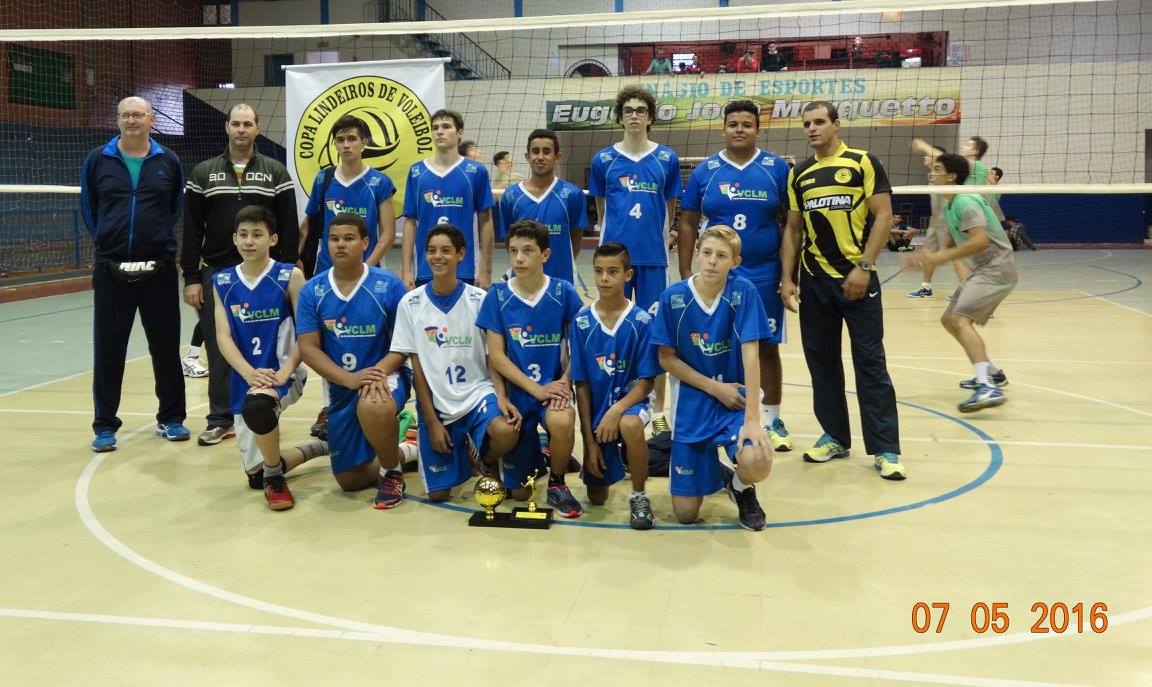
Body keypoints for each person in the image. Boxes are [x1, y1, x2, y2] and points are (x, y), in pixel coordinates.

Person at [779, 101, 905, 481]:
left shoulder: (863, 162)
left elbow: (883, 215)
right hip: (815, 280)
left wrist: (864, 267)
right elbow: (793, 230)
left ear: (836, 124)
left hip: (857, 279)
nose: (812, 129)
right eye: (807, 124)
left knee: (870, 363)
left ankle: (885, 449)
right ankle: (834, 435)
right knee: (822, 364)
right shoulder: (799, 173)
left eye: (819, 122)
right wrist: (788, 278)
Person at [677, 99, 794, 453]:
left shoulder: (776, 168)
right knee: (713, 344)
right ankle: (718, 413)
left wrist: (789, 275)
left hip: (763, 273)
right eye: (733, 124)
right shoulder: (706, 170)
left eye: (746, 124)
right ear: (723, 128)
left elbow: (792, 224)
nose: (739, 130)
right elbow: (687, 220)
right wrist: (685, 271)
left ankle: (771, 419)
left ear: (758, 129)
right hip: (714, 275)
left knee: (766, 346)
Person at [183, 103, 299, 447]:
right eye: (236, 124)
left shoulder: (275, 172)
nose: (241, 130)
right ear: (227, 127)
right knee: (220, 349)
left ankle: (267, 404)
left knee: (269, 344)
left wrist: (288, 266)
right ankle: (220, 419)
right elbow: (191, 227)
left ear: (257, 128)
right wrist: (191, 275)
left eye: (248, 124)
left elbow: (289, 225)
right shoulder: (204, 172)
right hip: (217, 271)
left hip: (266, 274)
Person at [80, 96, 187, 452]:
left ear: (151, 120)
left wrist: (152, 240)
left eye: (138, 115)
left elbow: (174, 209)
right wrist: (109, 244)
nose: (132, 121)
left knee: (165, 347)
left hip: (158, 265)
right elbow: (90, 210)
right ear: (117, 120)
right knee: (109, 349)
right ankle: (105, 426)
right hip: (110, 267)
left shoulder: (168, 160)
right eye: (125, 115)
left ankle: (171, 419)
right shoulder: (98, 160)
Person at [651, 226, 774, 531]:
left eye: (721, 256)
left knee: (758, 458)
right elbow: (665, 358)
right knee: (685, 514)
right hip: (693, 403)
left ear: (734, 261)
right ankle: (712, 465)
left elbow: (751, 355)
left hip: (735, 401)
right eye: (706, 253)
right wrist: (714, 388)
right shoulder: (674, 297)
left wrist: (753, 419)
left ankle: (741, 487)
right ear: (696, 253)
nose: (712, 261)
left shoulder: (743, 291)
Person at [391, 224, 520, 502]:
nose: (438, 257)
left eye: (446, 251)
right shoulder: (410, 304)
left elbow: (492, 359)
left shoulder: (479, 300)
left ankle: (484, 458)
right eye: (432, 251)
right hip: (438, 403)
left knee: (506, 431)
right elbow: (418, 371)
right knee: (438, 495)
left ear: (461, 254)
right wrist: (432, 422)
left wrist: (500, 397)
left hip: (477, 395)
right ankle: (458, 450)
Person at [212, 205, 328, 509]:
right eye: (244, 235)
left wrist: (287, 370)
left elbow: (307, 334)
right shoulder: (222, 282)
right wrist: (249, 373)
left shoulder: (290, 276)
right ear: (235, 239)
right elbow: (223, 337)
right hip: (246, 377)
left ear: (272, 239)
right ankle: (321, 447)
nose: (250, 241)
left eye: (257, 235)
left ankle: (277, 479)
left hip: (284, 373)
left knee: (260, 406)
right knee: (255, 475)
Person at [295, 213, 412, 509]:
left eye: (348, 239)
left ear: (365, 242)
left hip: (385, 374)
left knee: (373, 403)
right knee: (350, 480)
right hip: (343, 384)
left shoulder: (388, 285)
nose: (340, 245)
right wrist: (348, 379)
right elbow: (308, 349)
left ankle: (391, 472)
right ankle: (410, 450)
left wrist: (376, 374)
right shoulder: (313, 290)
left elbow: (404, 345)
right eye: (334, 239)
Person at [588, 85, 681, 434]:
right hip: (614, 261)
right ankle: (619, 395)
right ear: (620, 116)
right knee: (616, 328)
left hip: (653, 258)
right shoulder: (603, 160)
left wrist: (662, 236)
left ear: (650, 117)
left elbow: (669, 209)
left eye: (641, 110)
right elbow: (601, 210)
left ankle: (657, 408)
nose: (635, 115)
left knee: (656, 333)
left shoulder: (667, 159)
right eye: (628, 110)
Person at [476, 220, 584, 516]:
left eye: (528, 251)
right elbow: (496, 357)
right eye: (513, 251)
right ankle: (488, 459)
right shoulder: (497, 296)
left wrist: (565, 380)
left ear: (545, 255)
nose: (519, 258)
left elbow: (581, 346)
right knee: (520, 494)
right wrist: (533, 390)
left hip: (553, 390)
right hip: (518, 396)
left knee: (563, 420)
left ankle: (558, 484)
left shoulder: (564, 292)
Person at [902, 154, 1017, 412]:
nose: (931, 173)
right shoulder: (950, 204)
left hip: (996, 269)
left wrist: (941, 256)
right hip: (984, 270)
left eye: (937, 169)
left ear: (951, 176)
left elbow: (979, 241)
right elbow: (953, 243)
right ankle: (992, 372)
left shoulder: (965, 201)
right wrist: (921, 257)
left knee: (961, 320)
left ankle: (987, 386)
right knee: (948, 319)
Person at [569, 243, 660, 530]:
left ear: (628, 275)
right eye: (598, 272)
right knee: (596, 498)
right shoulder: (582, 321)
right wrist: (589, 444)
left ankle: (639, 495)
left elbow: (646, 382)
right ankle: (610, 456)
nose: (604, 279)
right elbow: (580, 386)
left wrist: (617, 410)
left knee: (631, 426)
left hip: (631, 404)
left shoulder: (642, 321)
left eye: (612, 272)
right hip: (596, 417)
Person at [401, 109, 495, 290]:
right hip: (426, 269)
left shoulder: (476, 171)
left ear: (459, 133)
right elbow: (410, 222)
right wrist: (406, 270)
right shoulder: (417, 172)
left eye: (446, 126)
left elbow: (486, 221)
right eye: (435, 128)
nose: (439, 131)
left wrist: (486, 270)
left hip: (467, 269)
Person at [298, 114, 396, 277]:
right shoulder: (323, 179)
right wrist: (295, 257)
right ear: (335, 144)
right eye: (340, 140)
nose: (346, 145)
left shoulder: (380, 182)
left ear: (363, 143)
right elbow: (308, 224)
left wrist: (365, 268)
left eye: (351, 139)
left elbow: (388, 234)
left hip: (367, 271)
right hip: (326, 270)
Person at [499, 129, 589, 285]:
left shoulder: (573, 194)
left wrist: (562, 263)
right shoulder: (511, 195)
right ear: (527, 157)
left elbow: (576, 236)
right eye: (535, 151)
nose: (540, 157)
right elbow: (509, 239)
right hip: (522, 281)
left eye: (546, 152)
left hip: (561, 279)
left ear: (557, 157)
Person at [907, 137, 987, 298]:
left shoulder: (975, 166)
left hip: (956, 218)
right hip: (938, 221)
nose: (963, 146)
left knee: (958, 256)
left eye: (968, 144)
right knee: (930, 252)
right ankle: (926, 287)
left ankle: (969, 293)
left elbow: (946, 159)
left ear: (976, 151)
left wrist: (923, 145)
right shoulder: (936, 178)